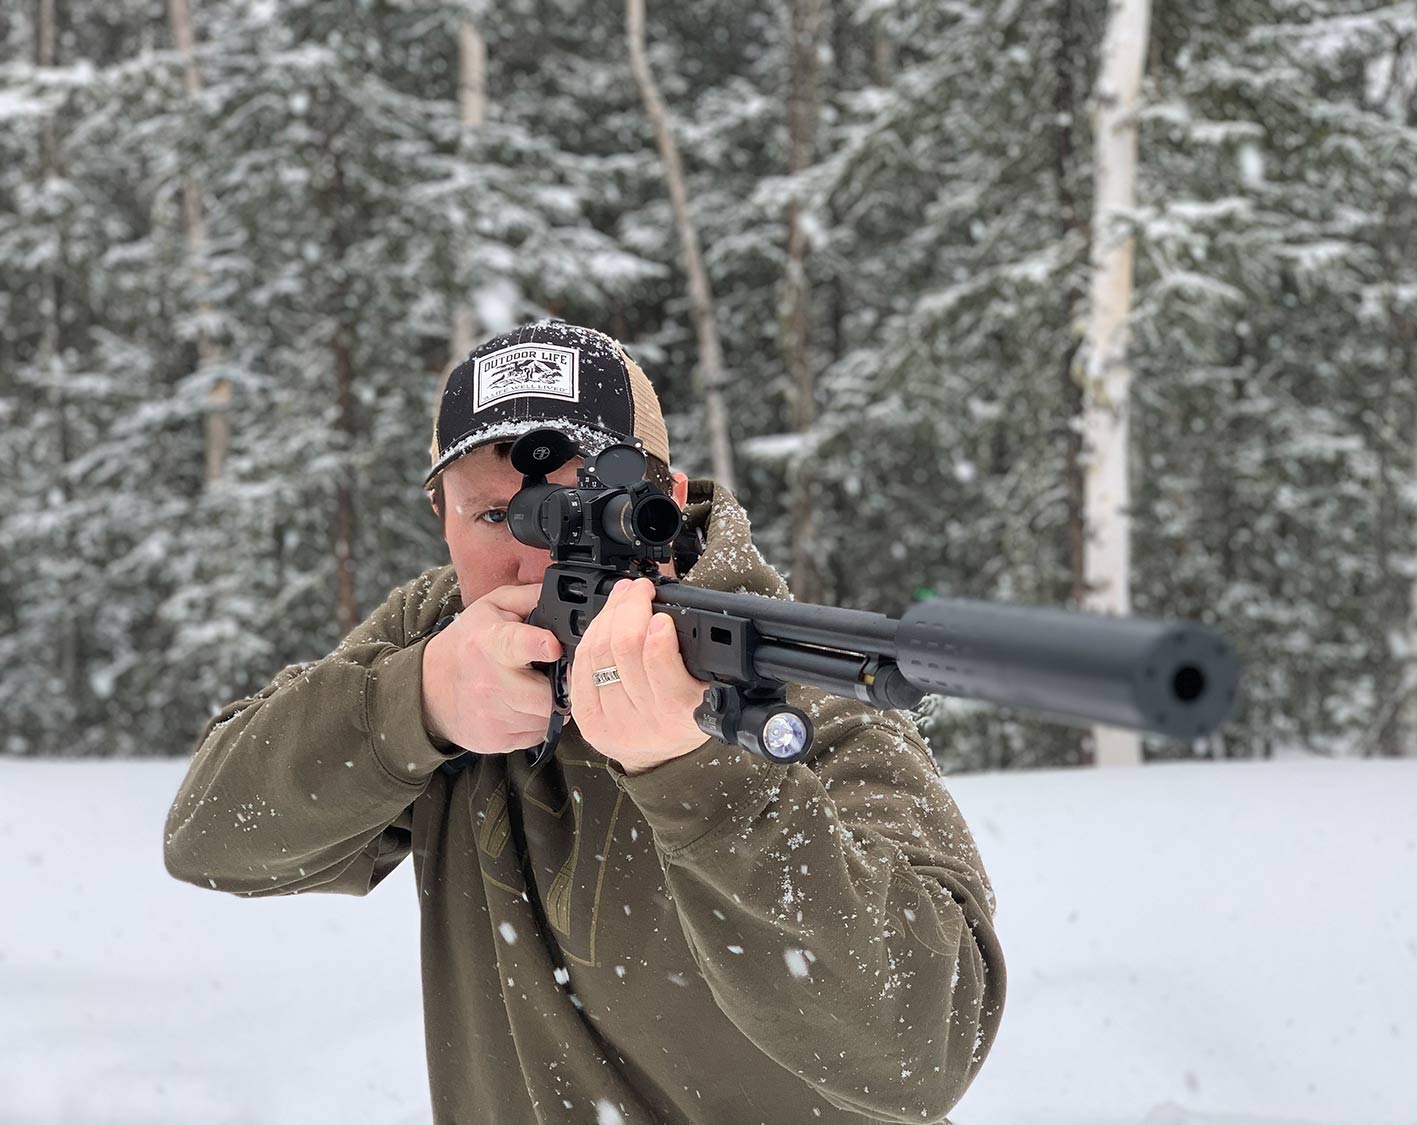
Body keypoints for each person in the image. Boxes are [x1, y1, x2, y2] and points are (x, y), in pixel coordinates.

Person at [164, 320, 1005, 1125]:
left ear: (665, 502)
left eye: (582, 509)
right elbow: (212, 837)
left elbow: (921, 1050)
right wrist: (416, 705)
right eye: (494, 516)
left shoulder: (789, 674)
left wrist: (696, 774)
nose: (537, 558)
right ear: (440, 517)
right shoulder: (441, 631)